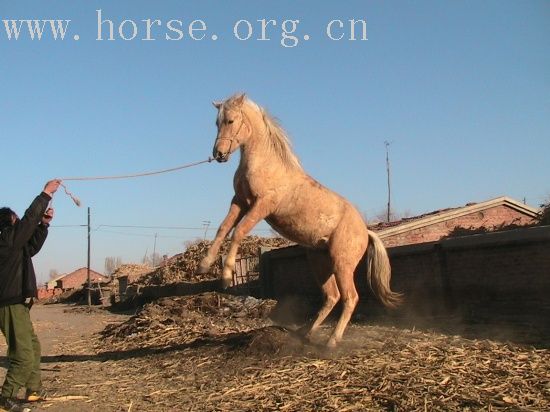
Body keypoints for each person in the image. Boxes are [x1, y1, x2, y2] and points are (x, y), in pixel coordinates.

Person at [0, 179, 61, 412]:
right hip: (10, 305)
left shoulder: (14, 244)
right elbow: (26, 223)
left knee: (33, 347)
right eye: (17, 220)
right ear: (9, 222)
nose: (20, 224)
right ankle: (6, 398)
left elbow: (31, 246)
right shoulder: (5, 240)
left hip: (18, 304)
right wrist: (45, 194)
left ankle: (34, 390)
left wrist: (43, 226)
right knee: (23, 354)